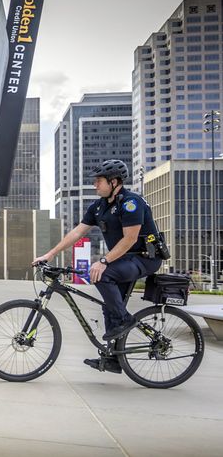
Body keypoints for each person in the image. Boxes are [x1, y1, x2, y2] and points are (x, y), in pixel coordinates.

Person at [32, 159, 163, 374]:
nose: (95, 185)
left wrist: (103, 261)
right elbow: (77, 232)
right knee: (109, 305)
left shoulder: (131, 203)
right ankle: (114, 358)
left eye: (99, 181)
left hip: (144, 258)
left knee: (102, 275)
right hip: (122, 259)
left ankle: (125, 319)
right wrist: (50, 254)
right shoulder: (99, 206)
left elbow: (130, 240)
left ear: (114, 182)